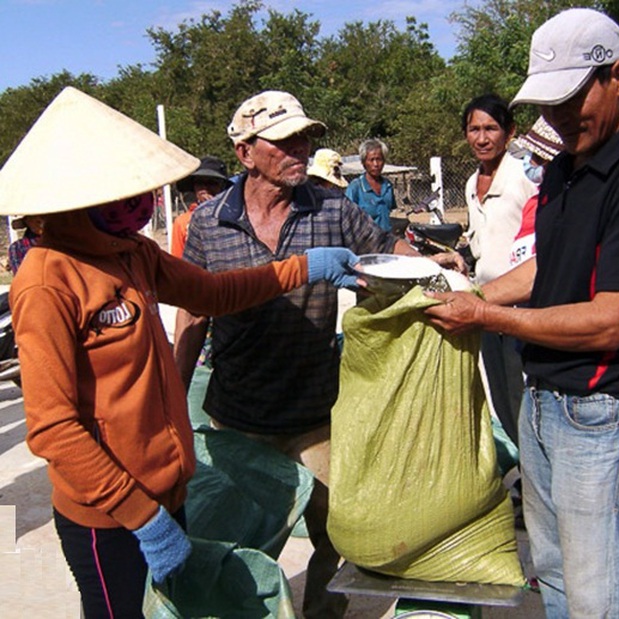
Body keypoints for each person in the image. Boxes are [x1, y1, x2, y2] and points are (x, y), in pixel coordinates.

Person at [0, 86, 359, 618]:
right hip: (110, 515)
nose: (139, 203)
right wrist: (141, 517)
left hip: (167, 496)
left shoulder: (132, 252)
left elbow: (212, 294)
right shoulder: (48, 281)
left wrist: (303, 267)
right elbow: (54, 429)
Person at [424, 8, 619, 617]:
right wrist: (472, 297)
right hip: (542, 401)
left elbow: (613, 318)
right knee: (559, 582)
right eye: (547, 104)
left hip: (599, 415)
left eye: (570, 99)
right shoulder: (566, 164)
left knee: (601, 599)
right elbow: (548, 267)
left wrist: (486, 319)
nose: (559, 118)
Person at [173, 90, 462, 619]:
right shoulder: (209, 223)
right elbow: (192, 316)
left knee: (337, 528)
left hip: (319, 413)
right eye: (285, 140)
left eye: (306, 138)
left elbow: (385, 248)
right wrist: (172, 398)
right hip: (240, 417)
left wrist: (438, 274)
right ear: (244, 153)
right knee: (247, 536)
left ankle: (322, 614)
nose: (301, 149)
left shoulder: (330, 206)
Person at [463, 94, 537, 447]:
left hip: (523, 305)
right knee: (501, 396)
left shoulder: (524, 175)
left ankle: (540, 479)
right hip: (486, 306)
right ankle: (527, 471)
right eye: (474, 129)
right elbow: (481, 248)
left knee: (525, 396)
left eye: (491, 128)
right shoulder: (469, 184)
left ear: (510, 133)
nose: (482, 138)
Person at [509, 116, 564, 270]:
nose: (530, 162)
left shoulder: (566, 208)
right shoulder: (533, 204)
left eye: (538, 158)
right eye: (530, 154)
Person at [171, 155, 231, 258]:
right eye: (200, 182)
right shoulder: (182, 222)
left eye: (212, 182)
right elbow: (177, 262)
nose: (205, 188)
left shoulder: (233, 217)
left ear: (222, 186)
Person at [345, 138, 396, 231]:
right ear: (363, 163)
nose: (376, 164)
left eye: (379, 159)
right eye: (371, 160)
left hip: (387, 240)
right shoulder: (356, 187)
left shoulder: (388, 186)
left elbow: (390, 213)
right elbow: (347, 218)